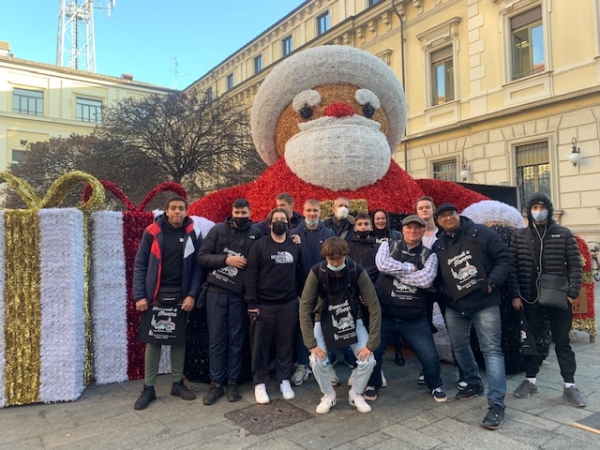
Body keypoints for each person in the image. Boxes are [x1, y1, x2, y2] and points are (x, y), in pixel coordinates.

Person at [432, 203, 512, 430]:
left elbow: (505, 258)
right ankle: (474, 383)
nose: (448, 217)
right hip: (455, 306)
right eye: (443, 215)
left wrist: (491, 283)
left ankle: (496, 403)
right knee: (459, 347)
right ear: (438, 220)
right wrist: (447, 294)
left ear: (458, 215)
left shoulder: (481, 233)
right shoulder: (438, 245)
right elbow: (437, 276)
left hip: (485, 303)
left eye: (451, 213)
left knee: (492, 351)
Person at [509, 193, 585, 407]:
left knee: (562, 341)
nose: (538, 210)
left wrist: (572, 292)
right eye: (535, 207)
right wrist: (515, 294)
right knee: (531, 341)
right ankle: (530, 380)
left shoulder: (563, 233)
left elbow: (574, 264)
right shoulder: (519, 236)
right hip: (528, 296)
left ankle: (570, 385)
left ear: (549, 210)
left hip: (557, 296)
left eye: (542, 206)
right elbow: (512, 266)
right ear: (529, 211)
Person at [132, 196, 204, 410]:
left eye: (181, 209)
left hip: (181, 298)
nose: (177, 212)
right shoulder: (152, 232)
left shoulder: (193, 234)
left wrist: (192, 294)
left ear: (186, 211)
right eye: (173, 208)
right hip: (155, 296)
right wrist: (140, 296)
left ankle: (177, 384)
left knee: (178, 340)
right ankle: (148, 388)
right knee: (154, 341)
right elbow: (140, 265)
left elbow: (198, 268)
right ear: (166, 210)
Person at [365, 215, 446, 403]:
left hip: (414, 319)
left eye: (417, 228)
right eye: (409, 228)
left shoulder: (430, 254)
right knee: (373, 353)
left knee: (430, 356)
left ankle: (435, 384)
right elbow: (382, 265)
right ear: (402, 230)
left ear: (423, 231)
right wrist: (411, 268)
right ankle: (373, 383)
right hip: (385, 315)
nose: (413, 231)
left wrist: (396, 272)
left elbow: (425, 280)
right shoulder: (388, 246)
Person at [299, 237, 381, 414]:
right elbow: (305, 306)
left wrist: (371, 343)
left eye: (339, 258)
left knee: (369, 359)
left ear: (346, 254)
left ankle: (356, 393)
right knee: (316, 360)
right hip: (325, 318)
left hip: (352, 317)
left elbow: (374, 306)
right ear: (325, 257)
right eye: (331, 259)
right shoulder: (317, 271)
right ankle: (328, 395)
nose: (336, 263)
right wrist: (311, 343)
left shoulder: (356, 270)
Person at [197, 198, 262, 405]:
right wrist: (226, 260)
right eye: (237, 212)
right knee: (216, 339)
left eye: (244, 213)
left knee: (236, 339)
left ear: (249, 212)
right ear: (231, 211)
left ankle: (232, 383)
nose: (240, 216)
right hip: (215, 292)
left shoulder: (257, 233)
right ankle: (216, 384)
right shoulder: (217, 230)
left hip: (239, 295)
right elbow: (202, 257)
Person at [245, 207, 302, 404]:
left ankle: (284, 379)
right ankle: (259, 383)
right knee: (261, 344)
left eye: (283, 219)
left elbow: (299, 272)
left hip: (287, 304)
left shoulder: (294, 245)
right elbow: (251, 275)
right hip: (264, 304)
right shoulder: (259, 246)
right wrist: (252, 302)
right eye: (276, 219)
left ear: (288, 224)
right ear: (269, 224)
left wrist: (299, 296)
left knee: (285, 343)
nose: (280, 222)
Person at [289, 199, 334, 386]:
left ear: (320, 212)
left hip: (325, 290)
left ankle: (327, 364)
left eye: (315, 210)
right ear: (303, 211)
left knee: (326, 327)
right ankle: (302, 365)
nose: (312, 214)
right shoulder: (294, 234)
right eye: (309, 210)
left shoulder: (329, 233)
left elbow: (334, 261)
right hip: (302, 291)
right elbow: (290, 266)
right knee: (303, 328)